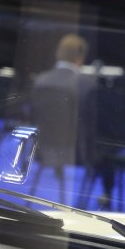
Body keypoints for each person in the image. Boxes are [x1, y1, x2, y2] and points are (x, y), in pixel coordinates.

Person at [28, 34, 95, 204]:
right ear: (80, 58)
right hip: (76, 154)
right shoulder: (87, 84)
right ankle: (105, 199)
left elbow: (31, 118)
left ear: (58, 54)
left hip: (42, 150)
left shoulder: (39, 81)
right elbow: (90, 124)